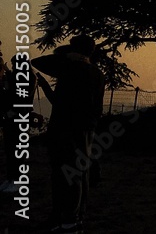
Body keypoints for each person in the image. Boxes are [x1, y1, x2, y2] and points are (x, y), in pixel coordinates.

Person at [32, 36, 106, 234]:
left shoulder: (72, 69)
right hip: (87, 129)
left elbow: (38, 62)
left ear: (74, 52)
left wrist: (67, 57)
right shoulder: (97, 73)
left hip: (66, 130)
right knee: (78, 174)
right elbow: (62, 101)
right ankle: (69, 218)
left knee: (67, 175)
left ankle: (68, 221)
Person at [1, 40, 38, 194]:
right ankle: (11, 178)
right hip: (17, 116)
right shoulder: (26, 77)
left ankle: (17, 180)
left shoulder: (25, 78)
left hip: (17, 116)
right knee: (12, 149)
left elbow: (18, 97)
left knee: (15, 149)